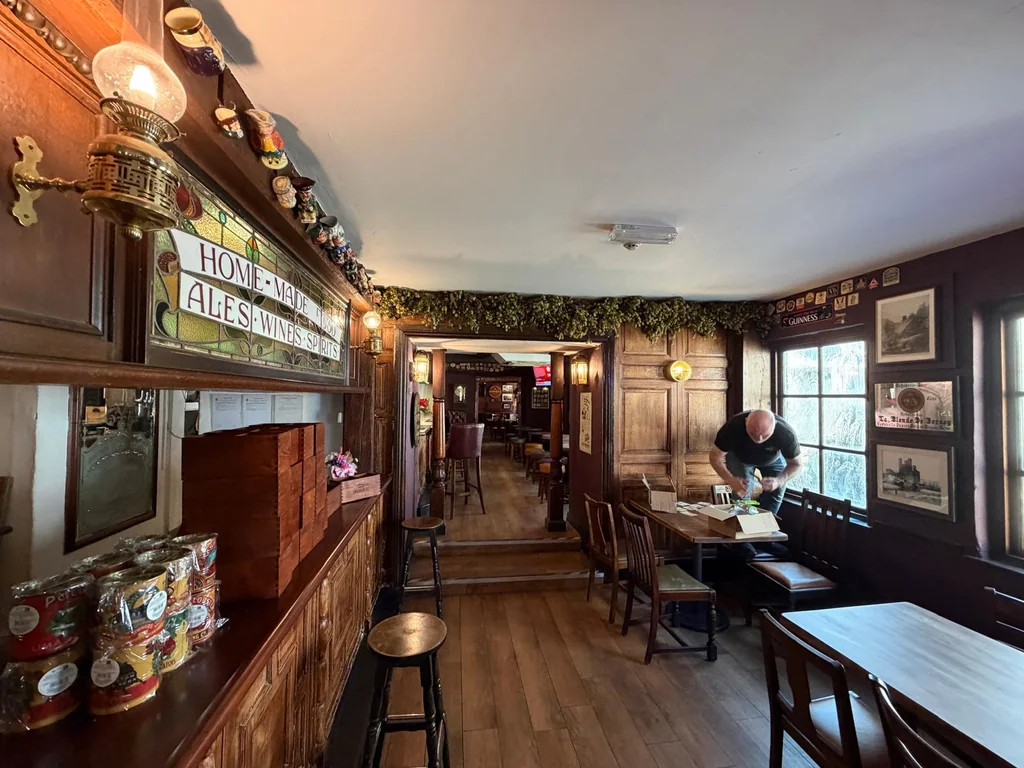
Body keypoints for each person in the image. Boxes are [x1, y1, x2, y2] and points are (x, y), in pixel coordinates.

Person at [709, 409, 803, 560]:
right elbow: (715, 457)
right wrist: (731, 480)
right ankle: (741, 540)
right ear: (746, 422)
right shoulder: (732, 427)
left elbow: (797, 464)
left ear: (774, 427)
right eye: (753, 434)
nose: (759, 439)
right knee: (742, 492)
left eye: (765, 436)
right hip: (740, 458)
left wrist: (778, 480)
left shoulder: (786, 433)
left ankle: (763, 536)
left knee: (777, 490)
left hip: (773, 460)